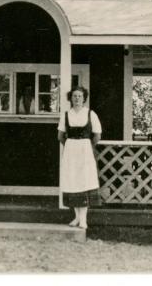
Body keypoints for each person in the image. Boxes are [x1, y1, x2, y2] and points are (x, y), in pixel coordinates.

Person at [57, 86, 101, 229]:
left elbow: (97, 135)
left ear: (84, 98)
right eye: (74, 96)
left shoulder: (90, 114)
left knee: (84, 181)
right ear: (71, 98)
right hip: (71, 153)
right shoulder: (66, 115)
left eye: (80, 96)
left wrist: (85, 145)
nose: (77, 99)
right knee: (72, 182)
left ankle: (83, 219)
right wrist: (71, 145)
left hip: (85, 152)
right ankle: (76, 217)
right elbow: (60, 136)